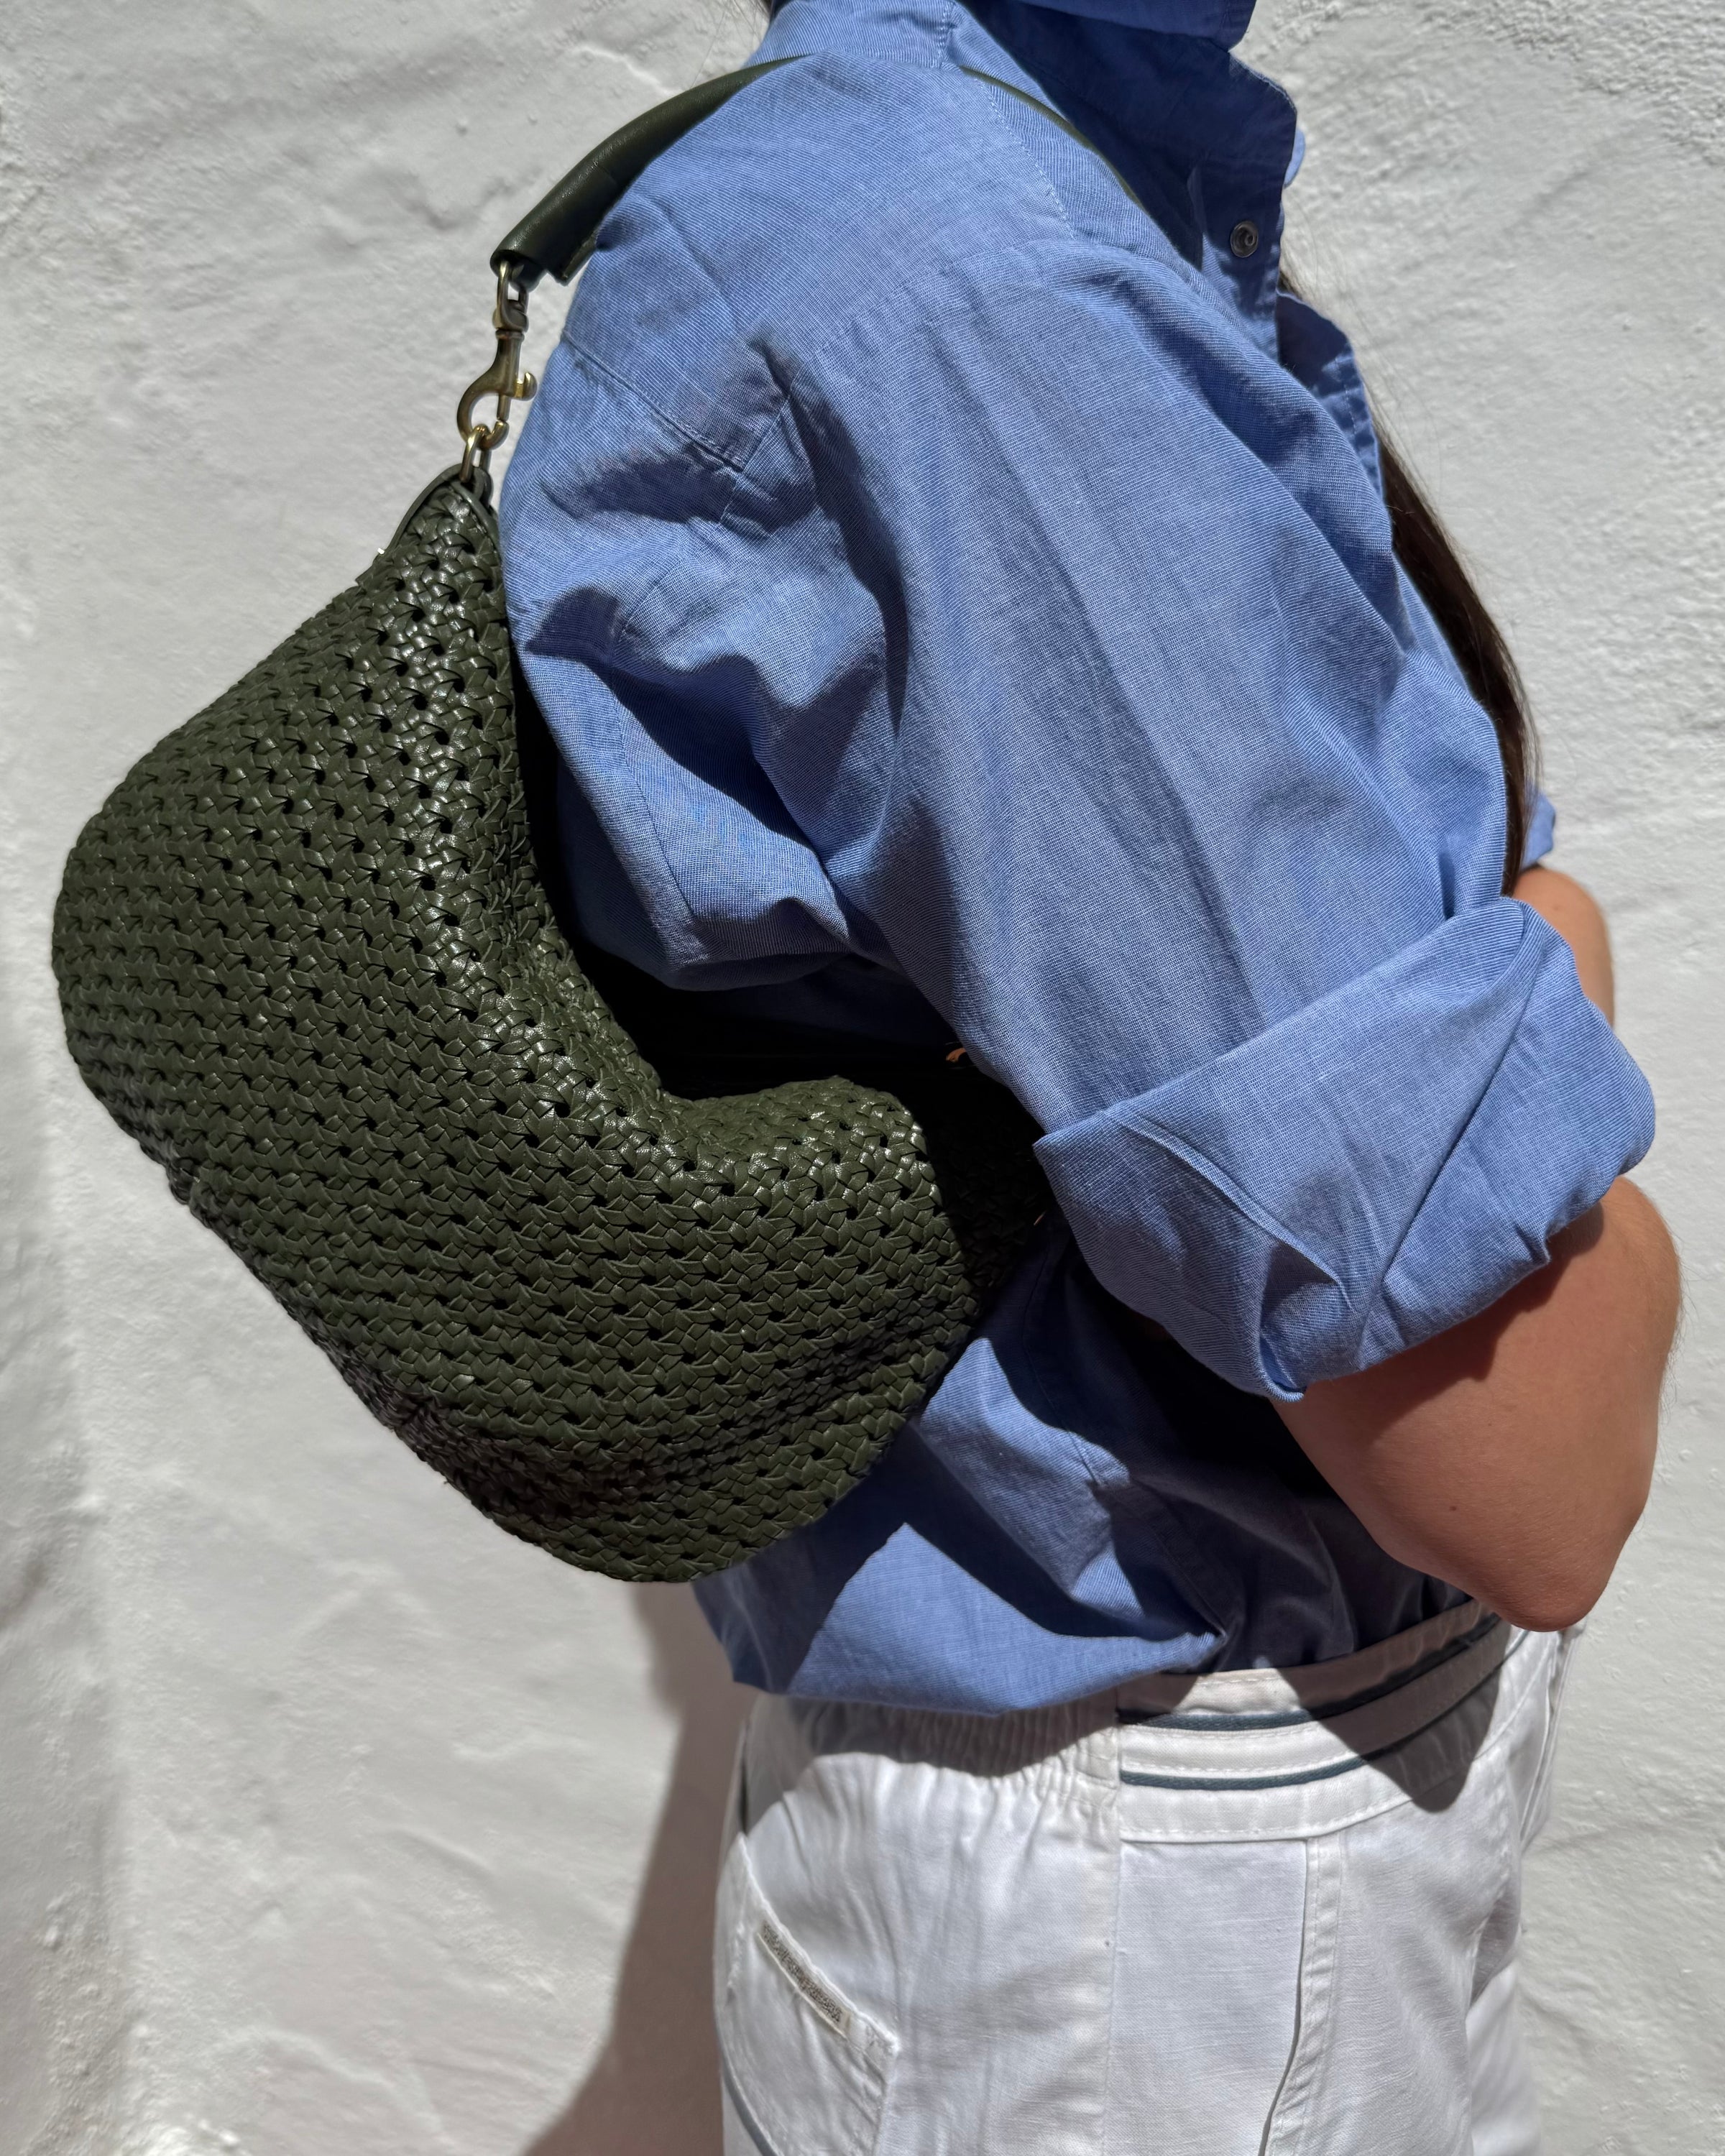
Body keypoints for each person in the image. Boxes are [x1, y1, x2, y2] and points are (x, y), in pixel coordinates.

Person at [500, 0, 1681, 2147]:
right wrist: (1562, 952)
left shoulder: (912, 171)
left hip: (1121, 1877)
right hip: (1171, 1924)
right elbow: (1528, 1469)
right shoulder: (976, 276)